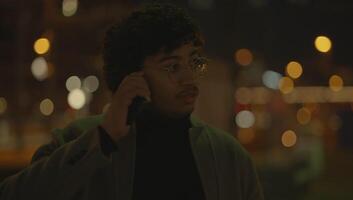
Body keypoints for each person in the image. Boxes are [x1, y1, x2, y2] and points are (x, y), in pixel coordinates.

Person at [0, 3, 264, 200]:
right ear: (133, 78)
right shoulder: (78, 141)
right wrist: (104, 138)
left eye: (194, 62)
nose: (189, 78)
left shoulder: (228, 156)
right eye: (172, 67)